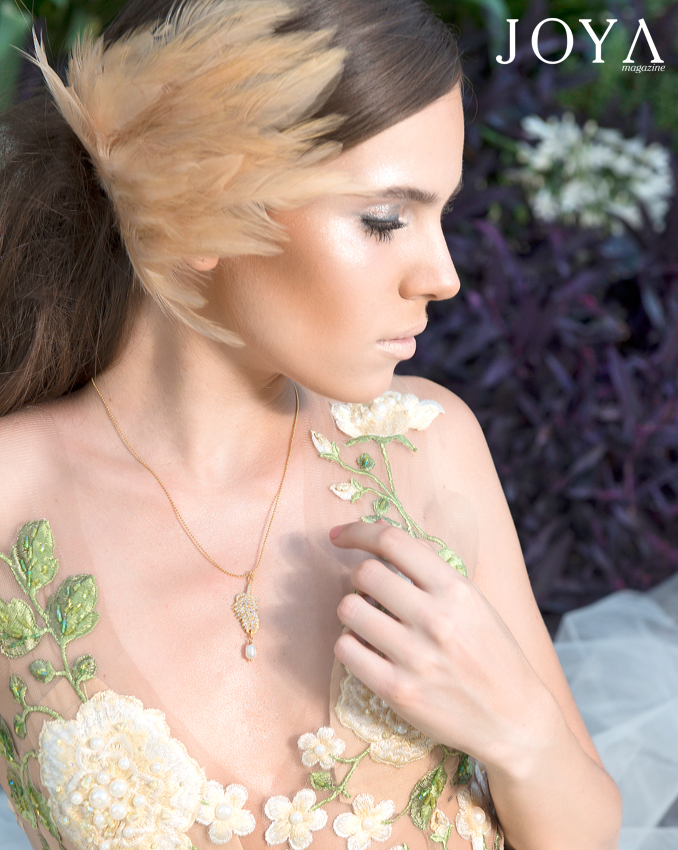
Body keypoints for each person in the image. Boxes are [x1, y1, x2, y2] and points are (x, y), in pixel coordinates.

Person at [0, 1, 622, 849]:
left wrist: (520, 729)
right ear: (196, 202)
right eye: (384, 219)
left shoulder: (427, 445)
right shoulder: (15, 494)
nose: (442, 275)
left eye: (440, 215)